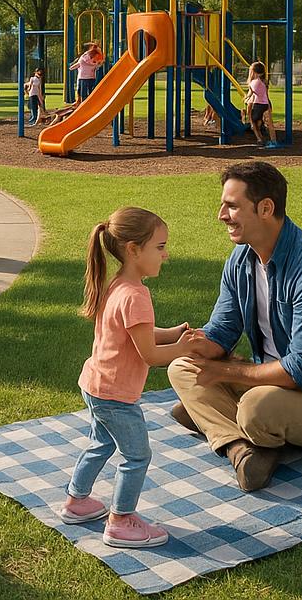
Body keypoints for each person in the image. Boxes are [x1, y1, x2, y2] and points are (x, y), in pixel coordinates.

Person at [168, 161, 302, 492]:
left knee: (255, 411)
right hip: (271, 380)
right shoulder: (241, 262)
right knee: (181, 368)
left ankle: (223, 419)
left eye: (232, 206)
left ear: (265, 208)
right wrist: (183, 344)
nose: (221, 215)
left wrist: (222, 374)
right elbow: (221, 333)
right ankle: (240, 448)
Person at [60, 208, 197, 547]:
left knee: (102, 443)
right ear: (134, 249)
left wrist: (174, 334)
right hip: (116, 396)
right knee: (137, 456)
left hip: (95, 385)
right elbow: (148, 354)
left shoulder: (119, 285)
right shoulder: (137, 296)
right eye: (160, 247)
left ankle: (77, 503)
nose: (166, 255)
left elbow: (140, 334)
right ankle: (121, 522)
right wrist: (185, 350)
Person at [246, 61, 271, 144]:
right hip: (266, 104)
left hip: (258, 105)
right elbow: (266, 94)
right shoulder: (265, 81)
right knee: (259, 122)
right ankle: (264, 136)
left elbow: (250, 93)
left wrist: (246, 98)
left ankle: (259, 138)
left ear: (253, 72)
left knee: (253, 122)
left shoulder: (253, 82)